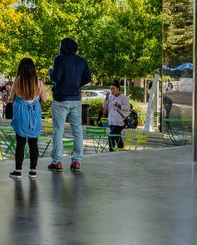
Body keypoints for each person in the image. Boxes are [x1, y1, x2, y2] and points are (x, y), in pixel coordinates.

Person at [47, 37, 92, 173]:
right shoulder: (82, 60)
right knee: (77, 130)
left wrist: (51, 72)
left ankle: (57, 161)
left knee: (58, 130)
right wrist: (77, 84)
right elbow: (88, 77)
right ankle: (77, 161)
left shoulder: (59, 59)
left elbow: (56, 77)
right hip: (75, 98)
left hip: (61, 98)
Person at [9, 58, 46, 178]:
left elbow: (11, 98)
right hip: (34, 113)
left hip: (21, 112)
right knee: (33, 142)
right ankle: (33, 170)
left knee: (20, 142)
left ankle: (18, 170)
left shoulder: (17, 81)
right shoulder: (39, 82)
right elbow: (44, 100)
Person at [103, 83, 131, 151]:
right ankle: (120, 149)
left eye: (113, 88)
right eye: (111, 89)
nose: (112, 90)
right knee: (117, 136)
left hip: (120, 121)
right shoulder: (110, 97)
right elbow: (104, 106)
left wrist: (119, 106)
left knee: (111, 136)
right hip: (112, 120)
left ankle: (111, 151)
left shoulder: (123, 97)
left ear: (118, 88)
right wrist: (106, 98)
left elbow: (128, 108)